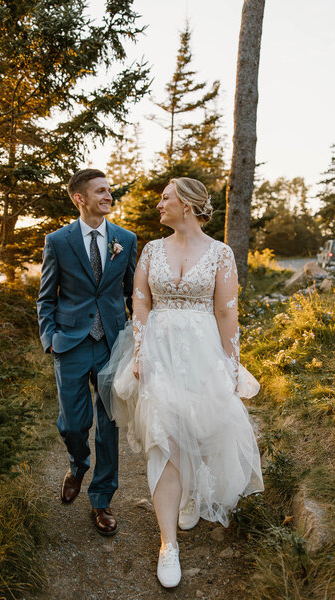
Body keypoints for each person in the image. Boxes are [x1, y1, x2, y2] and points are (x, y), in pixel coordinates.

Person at [98, 177, 263, 586]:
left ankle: (190, 494)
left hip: (204, 351)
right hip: (159, 353)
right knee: (165, 438)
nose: (159, 205)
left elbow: (227, 313)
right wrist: (139, 352)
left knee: (202, 429)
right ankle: (167, 544)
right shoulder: (152, 250)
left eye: (164, 199)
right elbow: (140, 301)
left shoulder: (221, 254)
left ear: (186, 204)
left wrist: (232, 365)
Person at [37, 168, 137, 536]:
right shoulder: (58, 241)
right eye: (101, 191)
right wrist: (50, 337)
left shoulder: (125, 239)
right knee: (74, 423)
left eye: (109, 190)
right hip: (71, 343)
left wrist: (138, 337)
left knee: (109, 423)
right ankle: (78, 464)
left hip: (112, 344)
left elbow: (132, 294)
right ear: (80, 198)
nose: (109, 196)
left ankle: (101, 498)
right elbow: (46, 296)